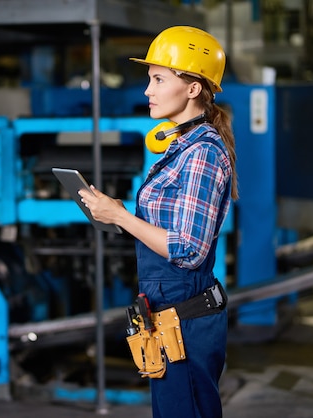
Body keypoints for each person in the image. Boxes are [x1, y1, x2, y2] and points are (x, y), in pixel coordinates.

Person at [78, 26, 237, 418]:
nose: (147, 90)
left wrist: (121, 216)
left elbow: (187, 250)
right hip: (167, 317)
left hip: (185, 323)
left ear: (193, 88)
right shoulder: (182, 146)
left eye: (158, 79)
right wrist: (117, 213)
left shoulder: (200, 154)